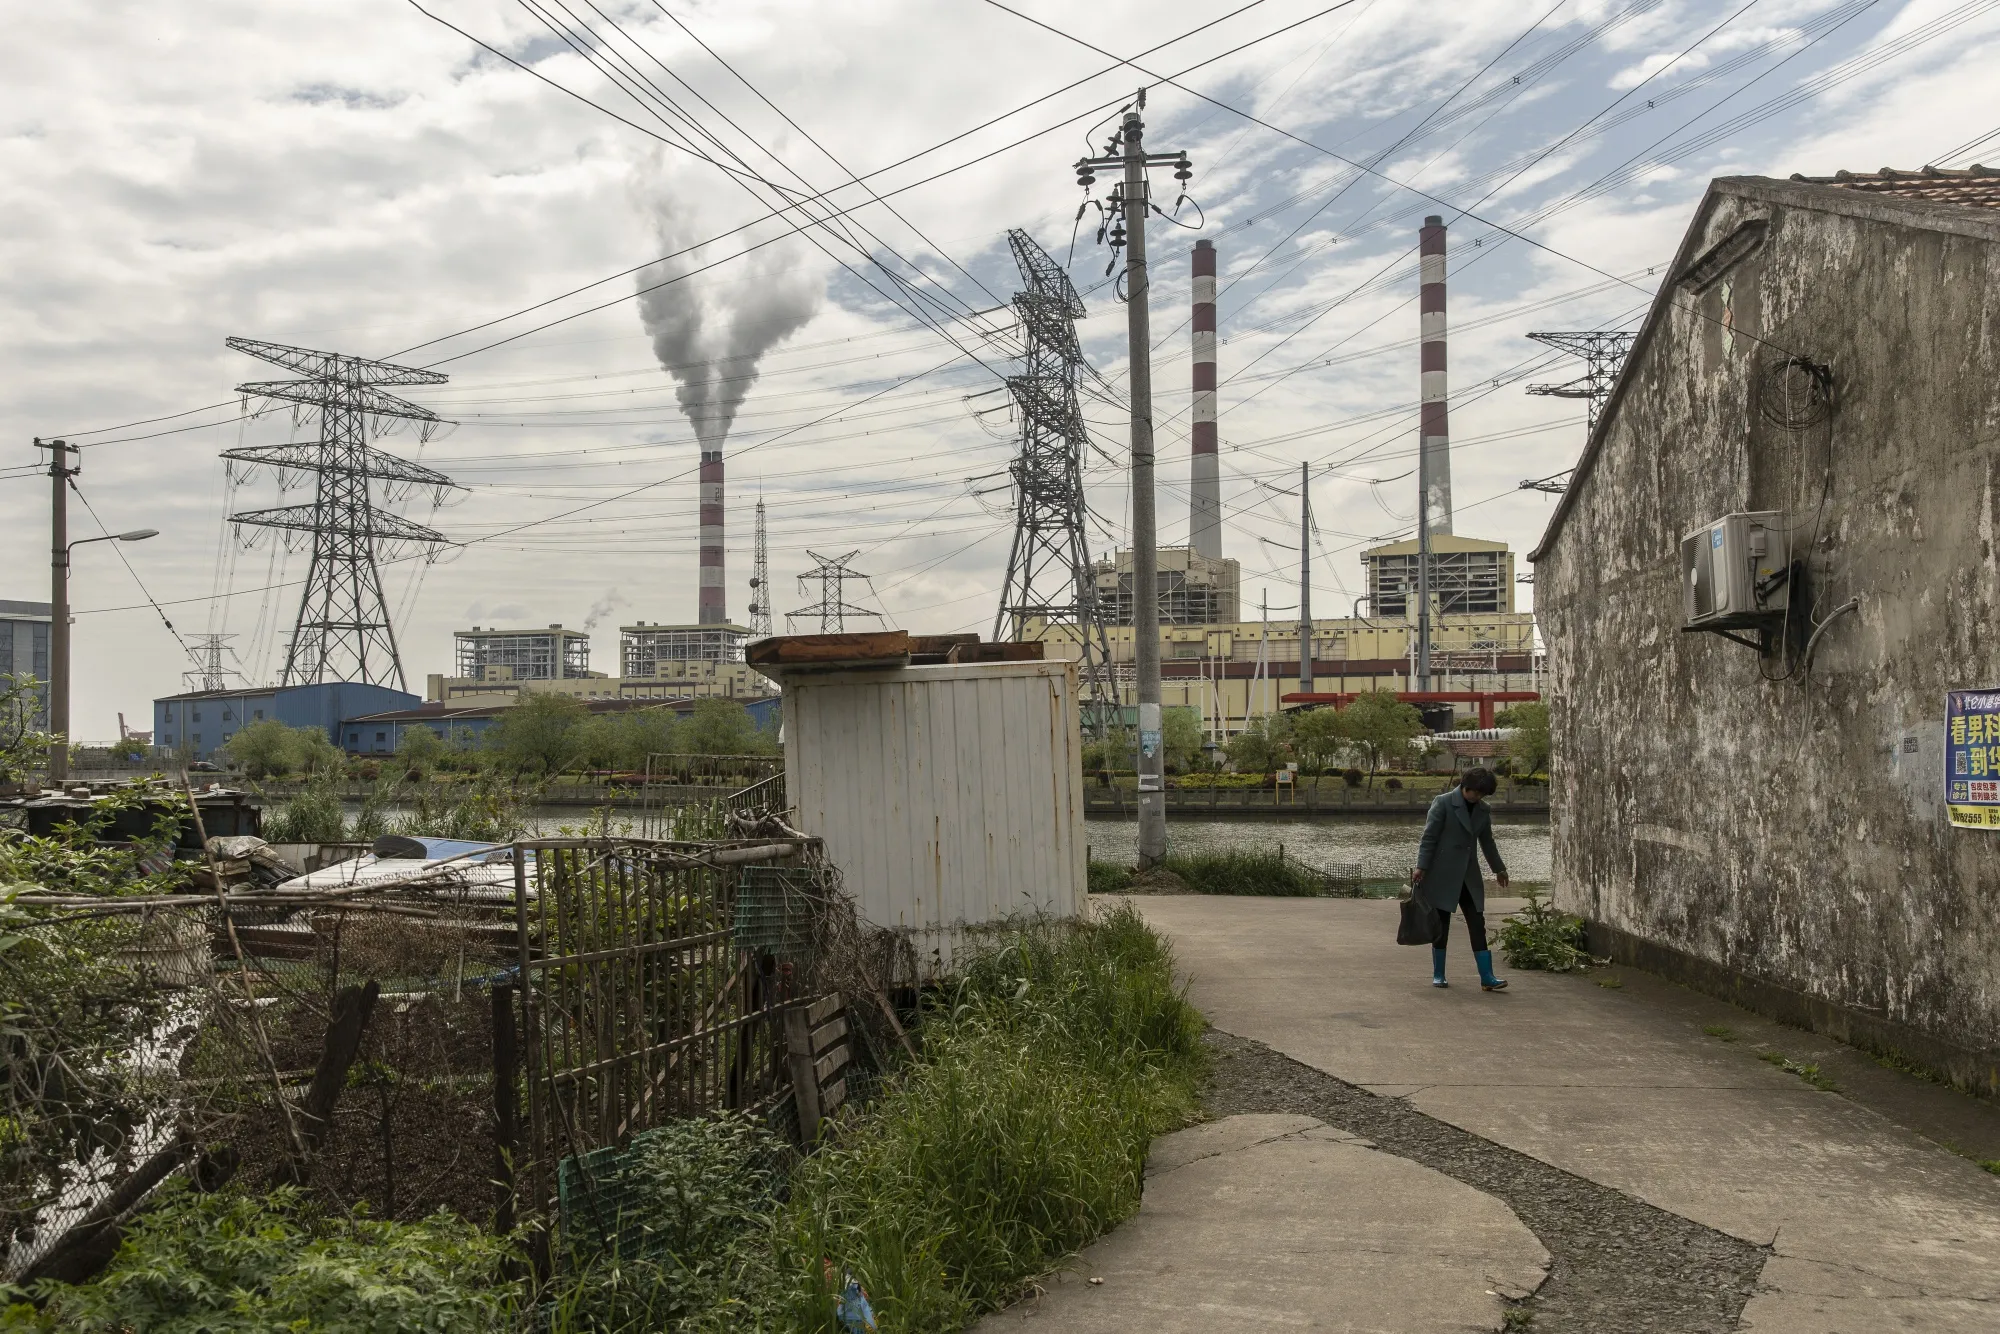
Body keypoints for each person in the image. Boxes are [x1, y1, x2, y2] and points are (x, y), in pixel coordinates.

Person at [1413, 766, 1511, 991]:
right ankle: (1439, 974)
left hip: (1468, 875)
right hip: (1442, 873)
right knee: (1442, 925)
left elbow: (1488, 842)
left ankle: (1487, 977)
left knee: (1478, 923)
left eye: (1482, 794)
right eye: (1475, 793)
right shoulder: (1443, 802)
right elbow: (1429, 838)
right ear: (1464, 787)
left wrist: (1499, 869)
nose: (1478, 798)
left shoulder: (1483, 810)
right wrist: (1421, 867)